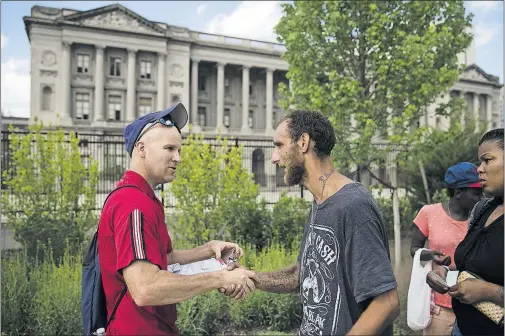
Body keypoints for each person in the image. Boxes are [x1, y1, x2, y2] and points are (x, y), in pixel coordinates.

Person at [223, 110, 400, 335]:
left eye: (279, 145)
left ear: (303, 142)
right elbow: (301, 274)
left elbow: (388, 303)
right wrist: (253, 278)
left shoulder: (354, 206)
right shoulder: (320, 201)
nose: (274, 158)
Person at [98, 103, 259, 336]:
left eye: (179, 150)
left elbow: (163, 259)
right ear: (141, 149)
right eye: (170, 148)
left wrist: (208, 250)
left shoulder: (144, 198)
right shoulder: (133, 204)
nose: (178, 158)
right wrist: (220, 278)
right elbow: (145, 288)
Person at [427, 128, 504, 336]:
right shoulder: (482, 209)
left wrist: (488, 291)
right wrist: (446, 274)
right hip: (462, 328)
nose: (479, 169)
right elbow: (472, 265)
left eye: (487, 160)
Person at [410, 162, 482, 335]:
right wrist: (429, 255)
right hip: (440, 308)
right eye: (476, 193)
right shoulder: (429, 213)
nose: (481, 197)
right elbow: (414, 248)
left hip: (475, 305)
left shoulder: (482, 217)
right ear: (458, 192)